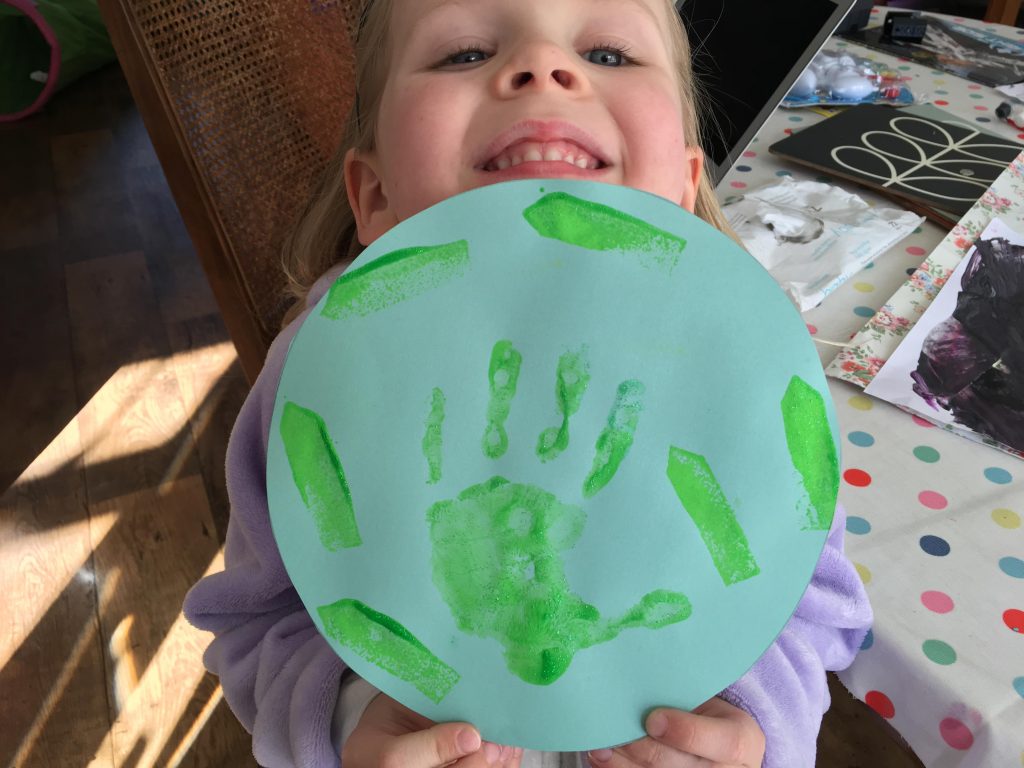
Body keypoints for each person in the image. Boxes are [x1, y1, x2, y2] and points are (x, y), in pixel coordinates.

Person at [183, 0, 873, 766]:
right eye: (464, 51)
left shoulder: (755, 371)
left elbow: (816, 607)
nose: (544, 66)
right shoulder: (318, 385)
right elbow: (258, 623)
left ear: (682, 184)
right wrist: (348, 727)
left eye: (609, 52)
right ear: (374, 196)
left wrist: (757, 730)